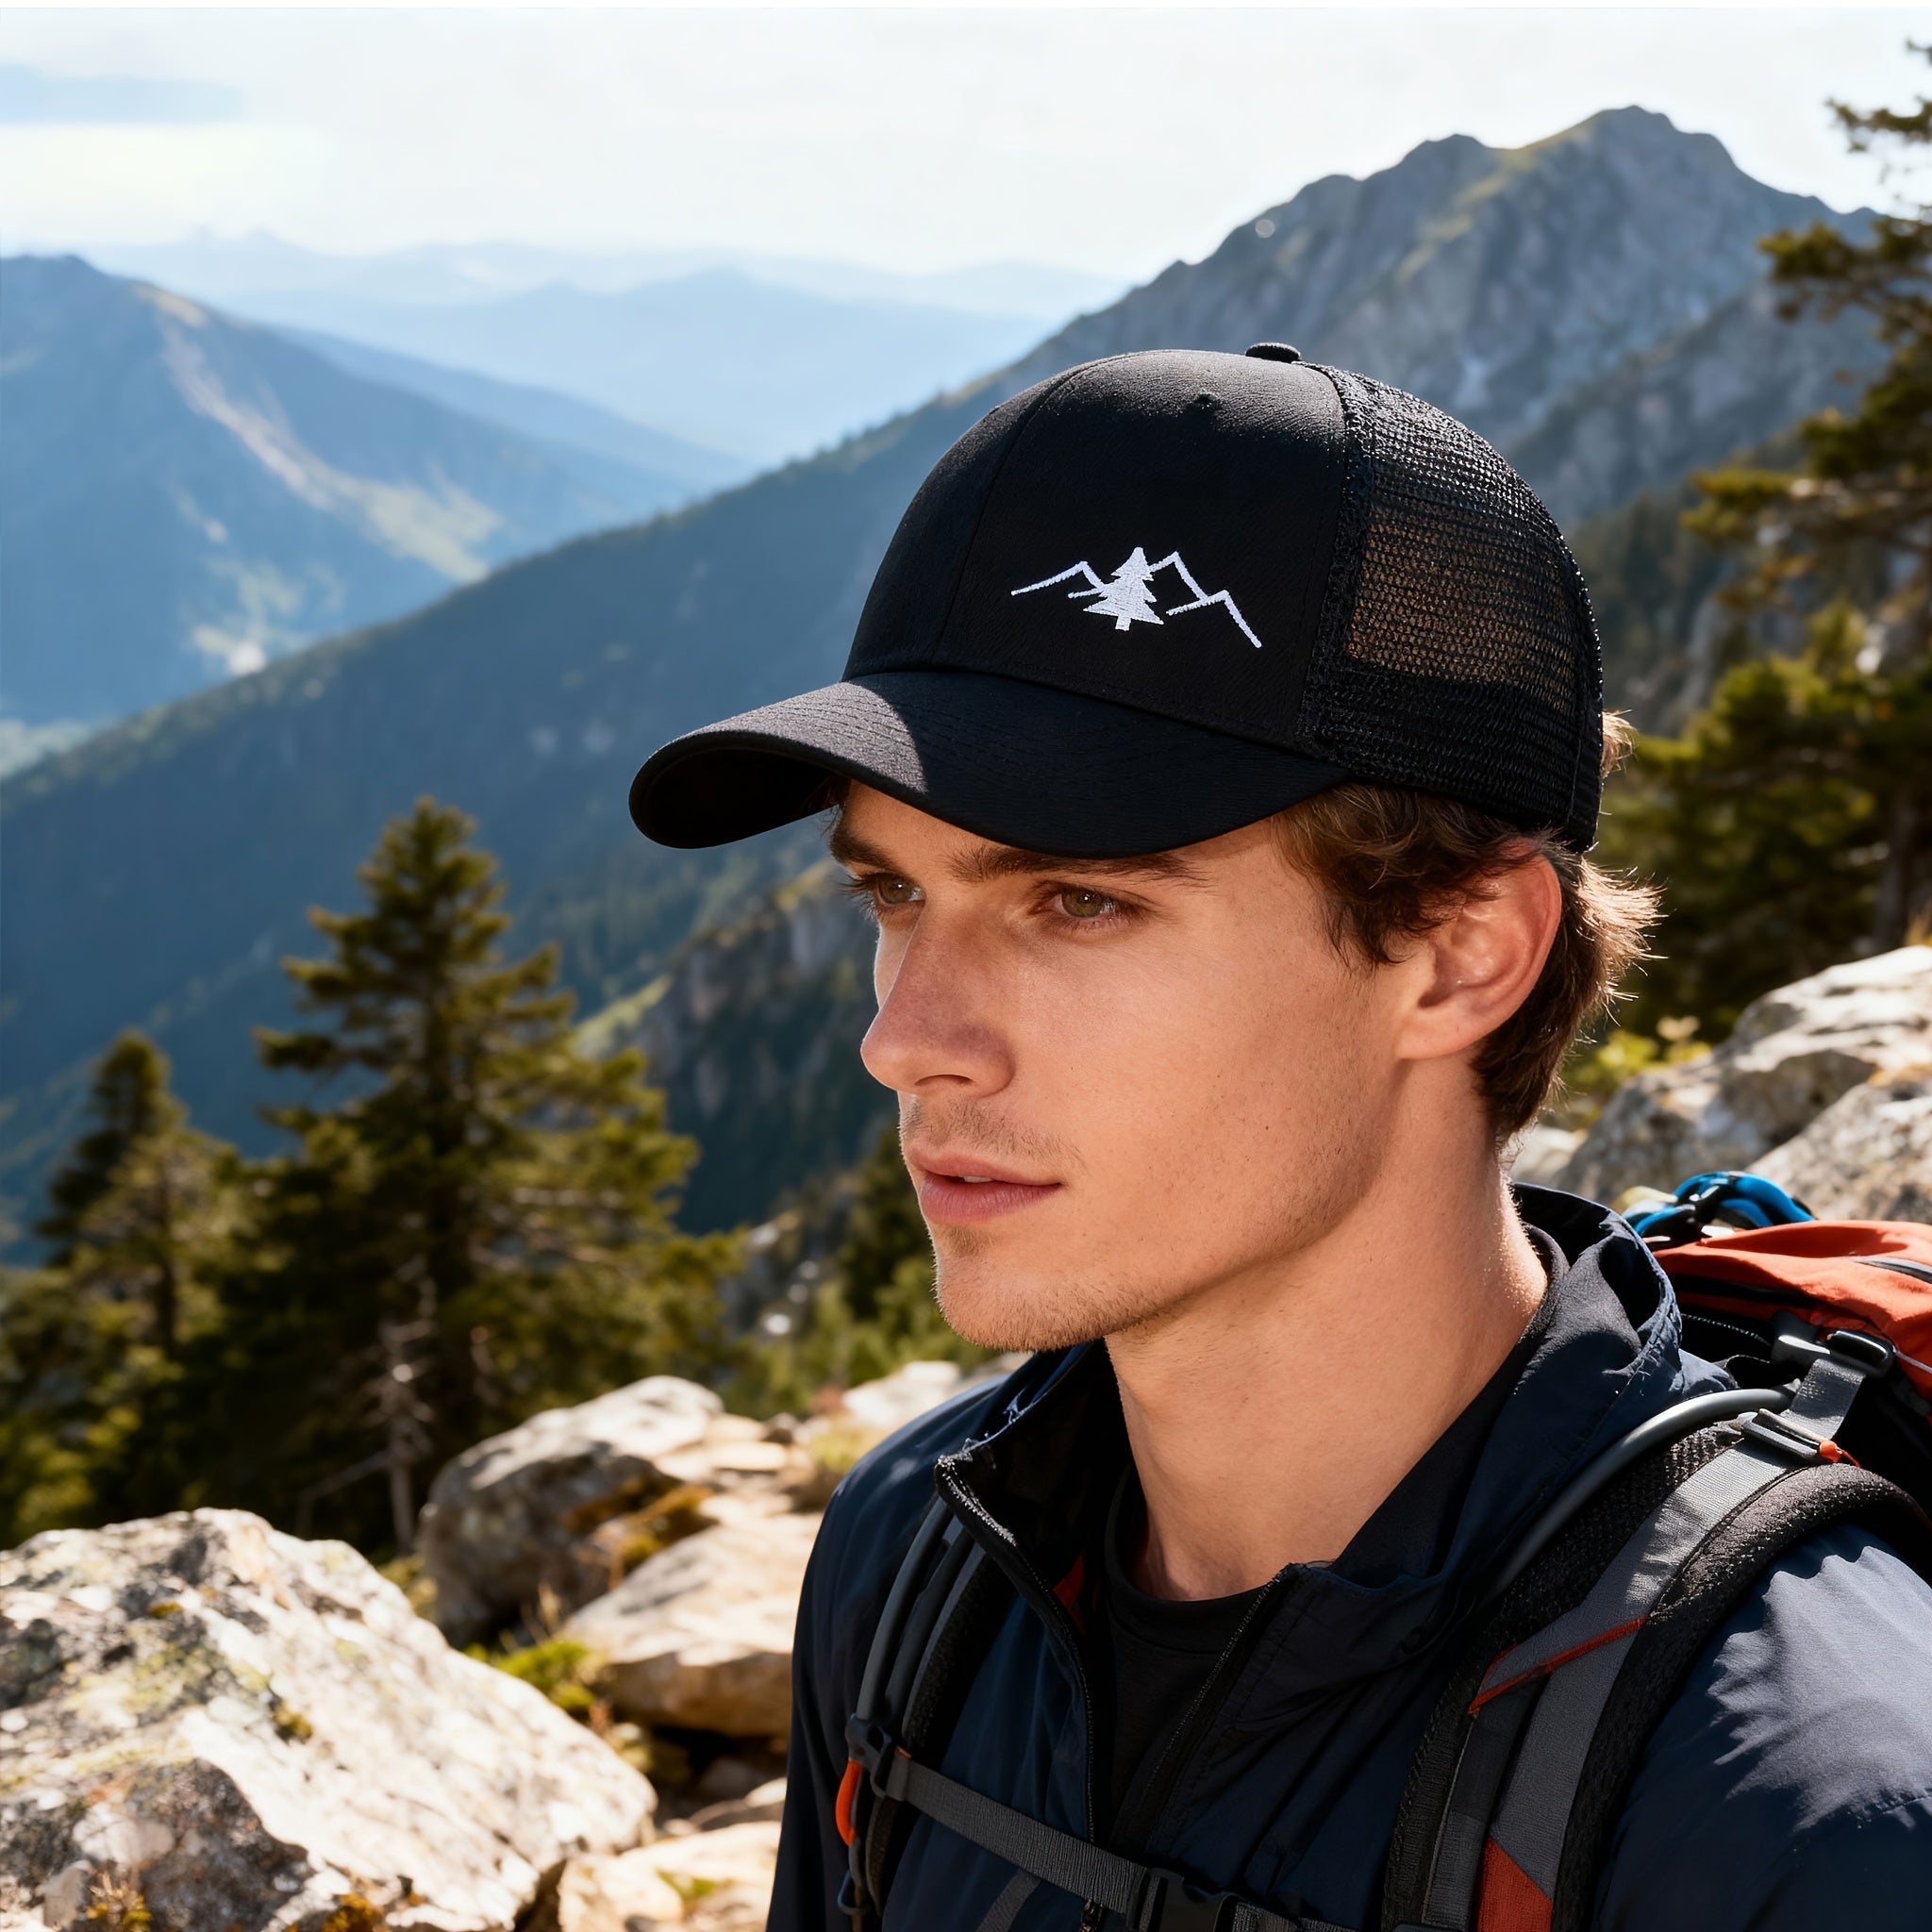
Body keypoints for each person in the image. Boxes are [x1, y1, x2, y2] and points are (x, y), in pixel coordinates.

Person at [627, 349, 1932, 1932]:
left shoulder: (1801, 1813)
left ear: (1459, 956)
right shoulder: (917, 1553)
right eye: (892, 892)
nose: (903, 1038)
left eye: (1079, 900)